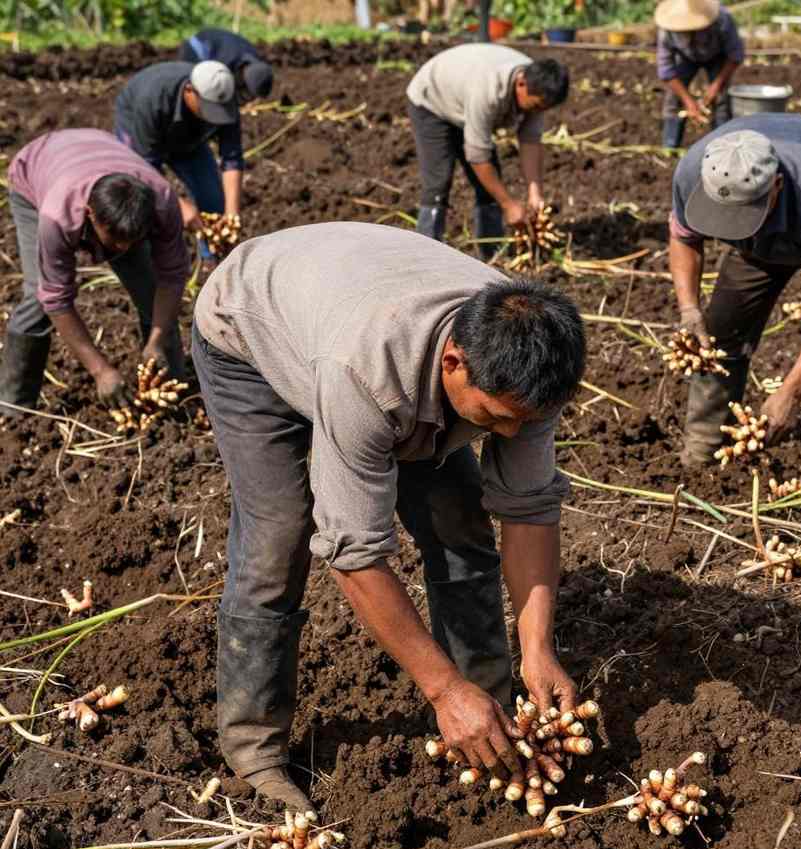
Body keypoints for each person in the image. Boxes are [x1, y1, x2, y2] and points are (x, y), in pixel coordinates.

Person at [192, 222, 586, 810]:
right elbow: (354, 555)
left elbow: (528, 511)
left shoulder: (529, 371)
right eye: (495, 418)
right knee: (281, 532)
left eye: (522, 421)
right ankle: (255, 748)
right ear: (453, 362)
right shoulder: (367, 375)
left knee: (458, 519)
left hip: (353, 314)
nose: (509, 435)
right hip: (250, 330)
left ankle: (488, 710)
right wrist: (442, 690)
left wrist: (538, 648)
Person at [670, 115, 801, 481]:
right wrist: (689, 308)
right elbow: (683, 238)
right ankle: (702, 458)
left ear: (777, 186)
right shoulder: (693, 171)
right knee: (721, 331)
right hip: (764, 234)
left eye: (741, 216)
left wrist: (791, 392)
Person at [0, 129, 190, 414]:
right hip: (36, 171)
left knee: (152, 295)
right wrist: (100, 370)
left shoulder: (161, 200)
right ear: (90, 214)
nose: (123, 247)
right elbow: (55, 298)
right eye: (115, 239)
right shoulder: (57, 216)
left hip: (96, 152)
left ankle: (172, 397)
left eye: (132, 239)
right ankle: (13, 408)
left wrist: (157, 339)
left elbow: (172, 276)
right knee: (37, 299)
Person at [406, 44, 569, 258]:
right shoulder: (487, 91)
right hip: (432, 101)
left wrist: (535, 193)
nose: (537, 112)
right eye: (536, 107)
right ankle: (426, 255)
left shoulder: (538, 88)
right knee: (439, 181)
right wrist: (508, 205)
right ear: (521, 83)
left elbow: (530, 141)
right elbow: (477, 155)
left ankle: (491, 255)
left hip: (464, 100)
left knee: (490, 184)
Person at [114, 60, 241, 264]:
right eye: (210, 110)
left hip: (188, 136)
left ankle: (211, 261)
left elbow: (232, 157)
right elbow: (146, 169)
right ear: (190, 92)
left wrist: (232, 214)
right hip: (139, 127)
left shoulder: (225, 100)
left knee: (213, 198)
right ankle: (151, 262)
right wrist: (179, 205)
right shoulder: (152, 100)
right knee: (143, 201)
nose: (214, 118)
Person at [655, 0, 744, 149]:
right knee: (673, 99)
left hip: (717, 55)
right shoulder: (667, 30)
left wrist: (715, 86)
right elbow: (666, 71)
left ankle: (723, 147)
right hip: (685, 57)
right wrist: (688, 101)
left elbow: (735, 56)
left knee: (721, 100)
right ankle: (670, 147)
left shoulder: (722, 19)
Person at [178, 27, 274, 103]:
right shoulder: (225, 62)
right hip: (197, 46)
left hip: (222, 44)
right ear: (243, 72)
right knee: (197, 87)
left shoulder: (254, 58)